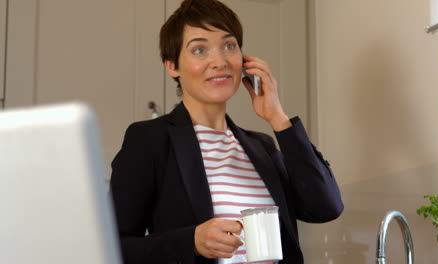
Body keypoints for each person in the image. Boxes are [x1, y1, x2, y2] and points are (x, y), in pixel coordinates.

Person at [110, 0, 344, 263]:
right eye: (199, 49)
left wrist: (277, 117)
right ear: (172, 65)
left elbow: (325, 207)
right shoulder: (150, 140)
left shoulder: (262, 146)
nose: (219, 61)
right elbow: (111, 248)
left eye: (229, 46)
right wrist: (191, 242)